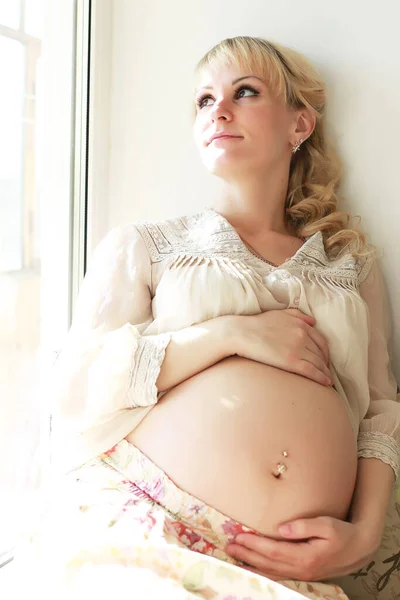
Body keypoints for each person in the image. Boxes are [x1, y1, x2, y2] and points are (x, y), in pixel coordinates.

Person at [30, 36, 399, 600]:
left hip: (290, 569)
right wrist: (227, 336)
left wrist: (364, 534)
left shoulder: (350, 265)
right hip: (151, 523)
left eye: (243, 92)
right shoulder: (146, 247)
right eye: (204, 100)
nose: (218, 110)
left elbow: (380, 413)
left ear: (299, 125)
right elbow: (76, 387)